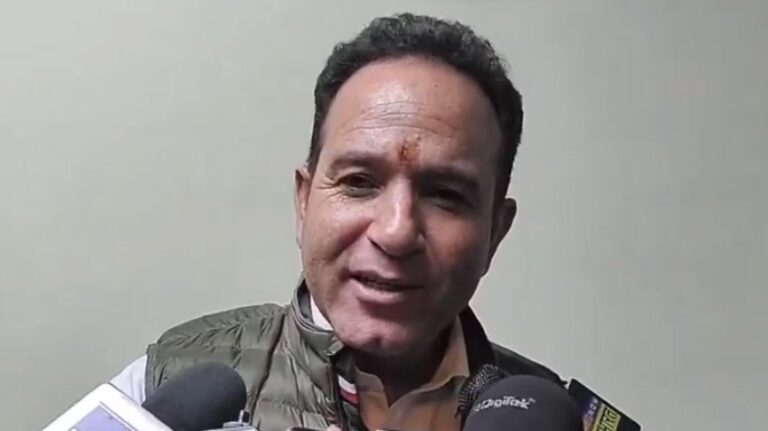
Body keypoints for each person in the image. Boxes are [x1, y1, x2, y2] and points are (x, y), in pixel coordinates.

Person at [111, 13, 562, 431]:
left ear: (495, 232)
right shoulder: (155, 388)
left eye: (445, 195)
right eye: (359, 182)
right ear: (304, 202)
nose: (396, 232)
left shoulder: (563, 418)